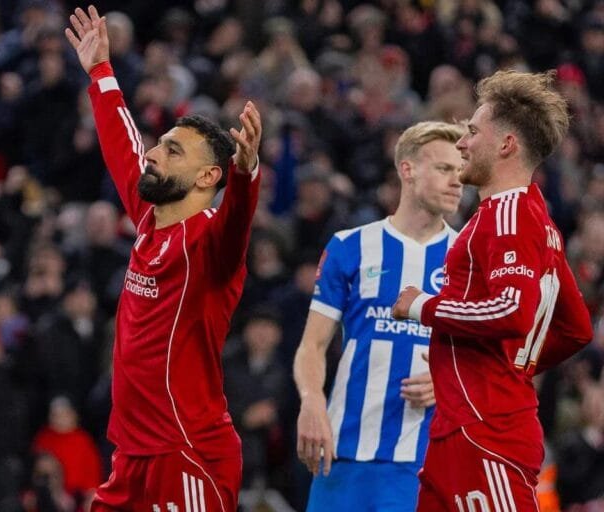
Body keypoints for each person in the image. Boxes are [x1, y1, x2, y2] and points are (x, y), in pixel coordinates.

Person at [64, 5, 262, 511]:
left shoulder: (210, 244)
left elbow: (237, 223)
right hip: (132, 452)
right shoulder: (151, 220)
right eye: (160, 146)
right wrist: (101, 71)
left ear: (207, 177)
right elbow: (122, 145)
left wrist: (245, 175)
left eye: (173, 151)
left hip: (187, 451)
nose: (153, 154)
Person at [392, 70, 593, 512]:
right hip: (460, 426)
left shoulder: (509, 217)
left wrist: (423, 306)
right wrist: (509, 365)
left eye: (472, 131)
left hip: (487, 430)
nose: (462, 143)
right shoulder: (533, 218)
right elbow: (576, 328)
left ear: (506, 145)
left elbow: (512, 311)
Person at [293, 120, 465, 511]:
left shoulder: (468, 258)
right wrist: (312, 401)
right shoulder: (350, 246)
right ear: (408, 169)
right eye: (444, 168)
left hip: (423, 460)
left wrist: (449, 381)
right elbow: (312, 345)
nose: (457, 181)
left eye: (460, 170)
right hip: (342, 451)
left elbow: (492, 358)